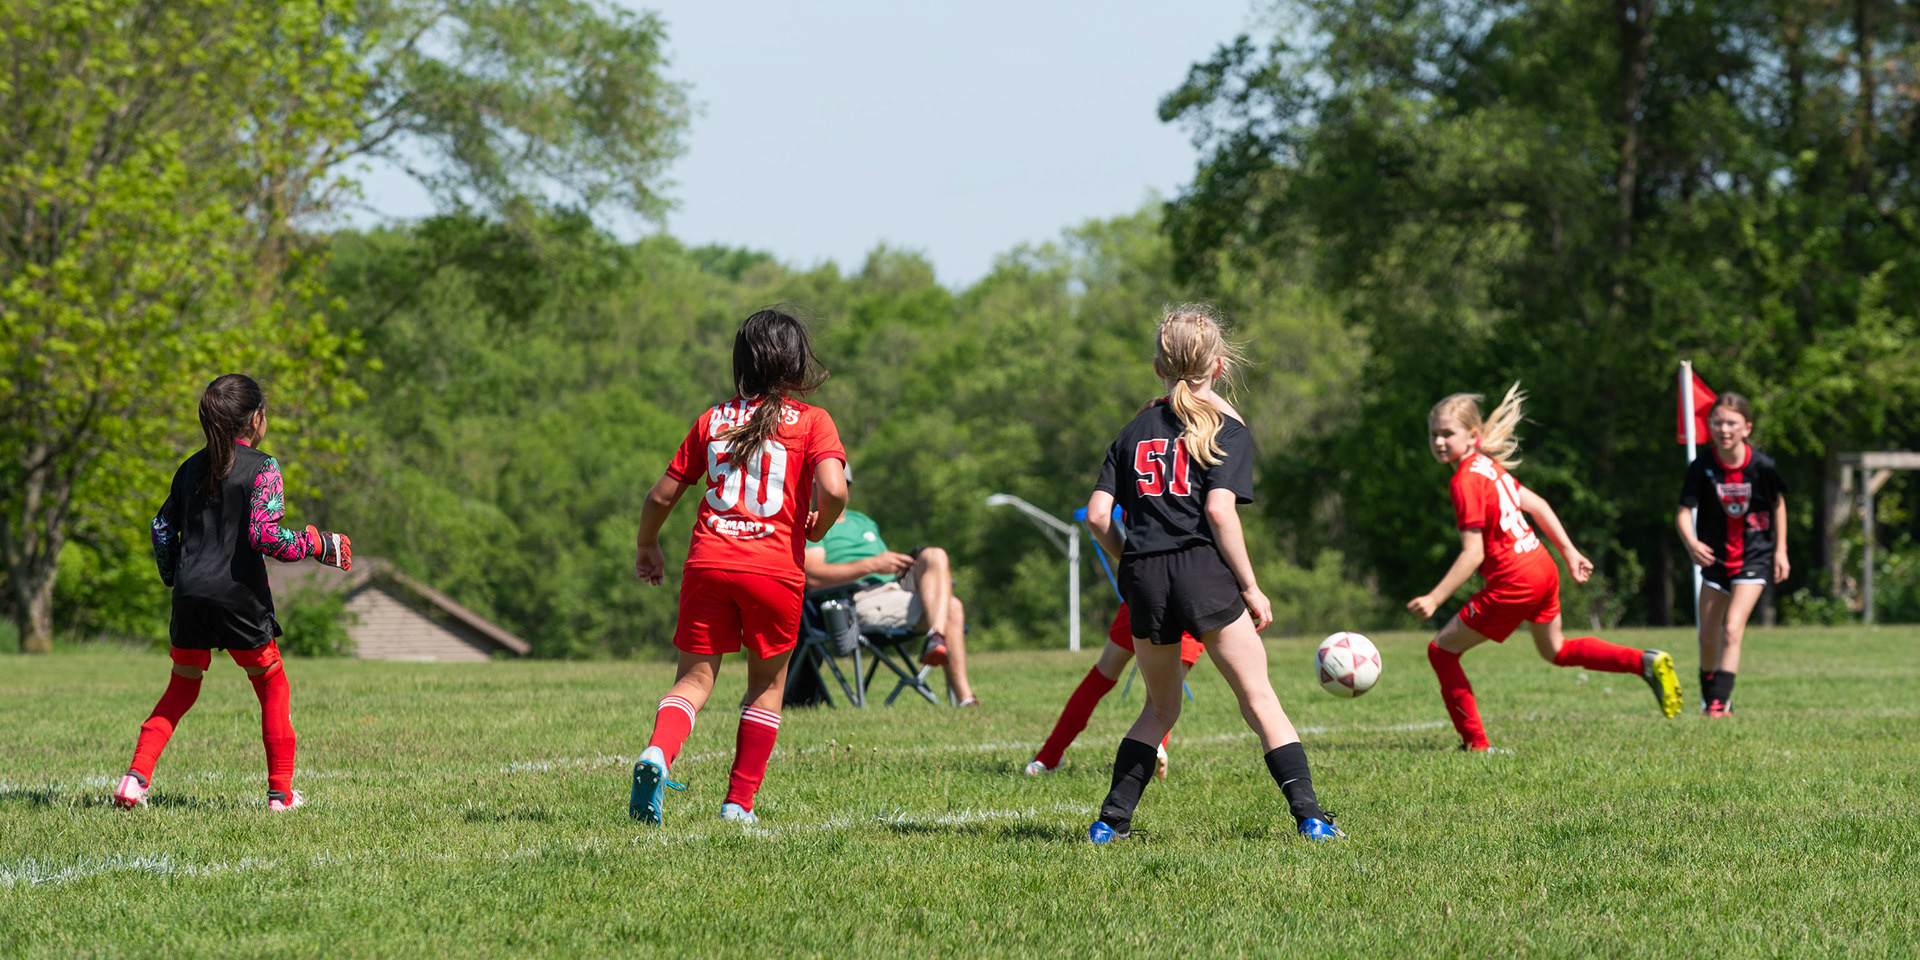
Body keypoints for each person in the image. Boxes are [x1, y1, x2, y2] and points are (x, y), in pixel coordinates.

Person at [1083, 304, 1343, 843]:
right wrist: (1250, 586)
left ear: (1157, 367)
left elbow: (1098, 517)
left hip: (1145, 577)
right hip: (1202, 571)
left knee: (1160, 707)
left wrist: (1127, 555)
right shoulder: (1227, 427)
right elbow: (1220, 512)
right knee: (1259, 700)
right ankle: (1312, 819)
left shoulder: (1131, 432)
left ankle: (1110, 824)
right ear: (1220, 367)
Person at [631, 308, 848, 826]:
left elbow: (662, 496)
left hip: (710, 561)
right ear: (796, 362)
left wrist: (647, 546)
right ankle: (737, 806)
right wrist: (818, 527)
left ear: (742, 361)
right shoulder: (814, 421)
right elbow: (835, 489)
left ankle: (658, 753)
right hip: (774, 570)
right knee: (767, 687)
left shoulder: (713, 419)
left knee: (692, 681)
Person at [113, 374, 352, 811]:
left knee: (181, 689)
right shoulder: (263, 467)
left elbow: (161, 529)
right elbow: (266, 537)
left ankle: (134, 780)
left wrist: (175, 578)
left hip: (190, 596)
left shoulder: (189, 468)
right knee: (272, 685)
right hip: (239, 595)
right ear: (256, 418)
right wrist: (318, 544)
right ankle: (281, 794)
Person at [1410, 385, 1684, 752]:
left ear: (1472, 436)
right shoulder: (1489, 468)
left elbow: (1473, 553)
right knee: (1555, 650)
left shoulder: (1465, 480)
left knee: (1441, 651)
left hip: (1515, 578)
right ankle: (1644, 662)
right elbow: (1537, 505)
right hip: (1541, 566)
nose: (1439, 441)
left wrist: (1434, 596)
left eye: (1447, 433)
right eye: (1433, 434)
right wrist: (1568, 552)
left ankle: (1476, 745)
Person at [1675, 393, 1788, 717]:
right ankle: (1711, 694)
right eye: (1718, 422)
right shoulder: (1702, 466)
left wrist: (1780, 550)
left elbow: (1778, 504)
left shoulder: (1763, 466)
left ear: (1746, 428)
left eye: (1732, 423)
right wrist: (1691, 542)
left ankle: (1718, 704)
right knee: (1707, 636)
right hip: (1714, 558)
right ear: (1710, 426)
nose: (1725, 429)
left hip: (1755, 556)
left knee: (1731, 628)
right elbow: (1684, 511)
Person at [804, 506, 977, 706]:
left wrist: (897, 565)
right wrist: (873, 565)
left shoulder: (861, 520)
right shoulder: (812, 524)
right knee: (952, 607)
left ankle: (935, 636)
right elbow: (813, 577)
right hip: (858, 599)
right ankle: (965, 698)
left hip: (895, 587)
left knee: (935, 555)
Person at [1024, 604, 1199, 780]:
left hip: (1146, 595)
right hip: (1194, 599)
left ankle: (1048, 757)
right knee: (1168, 688)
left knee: (1100, 677)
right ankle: (1155, 747)